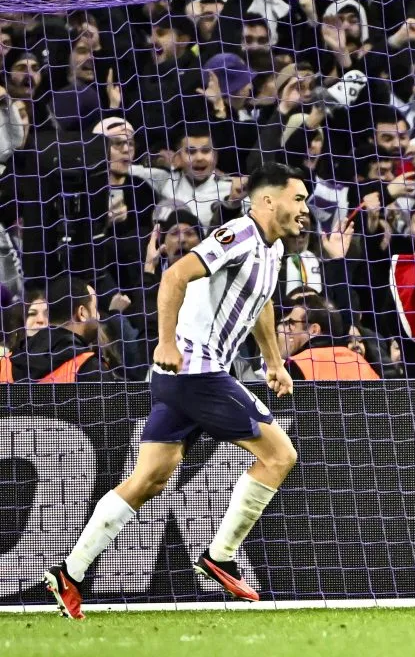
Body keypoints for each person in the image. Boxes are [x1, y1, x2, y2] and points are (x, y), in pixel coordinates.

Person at [43, 163, 307, 620]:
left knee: (150, 478)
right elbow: (174, 277)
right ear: (268, 200)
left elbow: (261, 301)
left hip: (187, 378)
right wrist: (166, 341)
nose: (305, 209)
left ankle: (71, 571)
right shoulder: (238, 234)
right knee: (279, 456)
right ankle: (219, 556)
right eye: (299, 198)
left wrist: (274, 362)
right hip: (196, 372)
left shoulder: (274, 250)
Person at [10, 276, 106, 382]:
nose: (98, 316)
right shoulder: (90, 369)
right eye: (95, 308)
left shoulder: (6, 363)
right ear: (82, 313)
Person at [278, 293, 378, 381]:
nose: (288, 329)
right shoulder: (361, 363)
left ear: (314, 330)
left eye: (292, 323)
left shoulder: (296, 365)